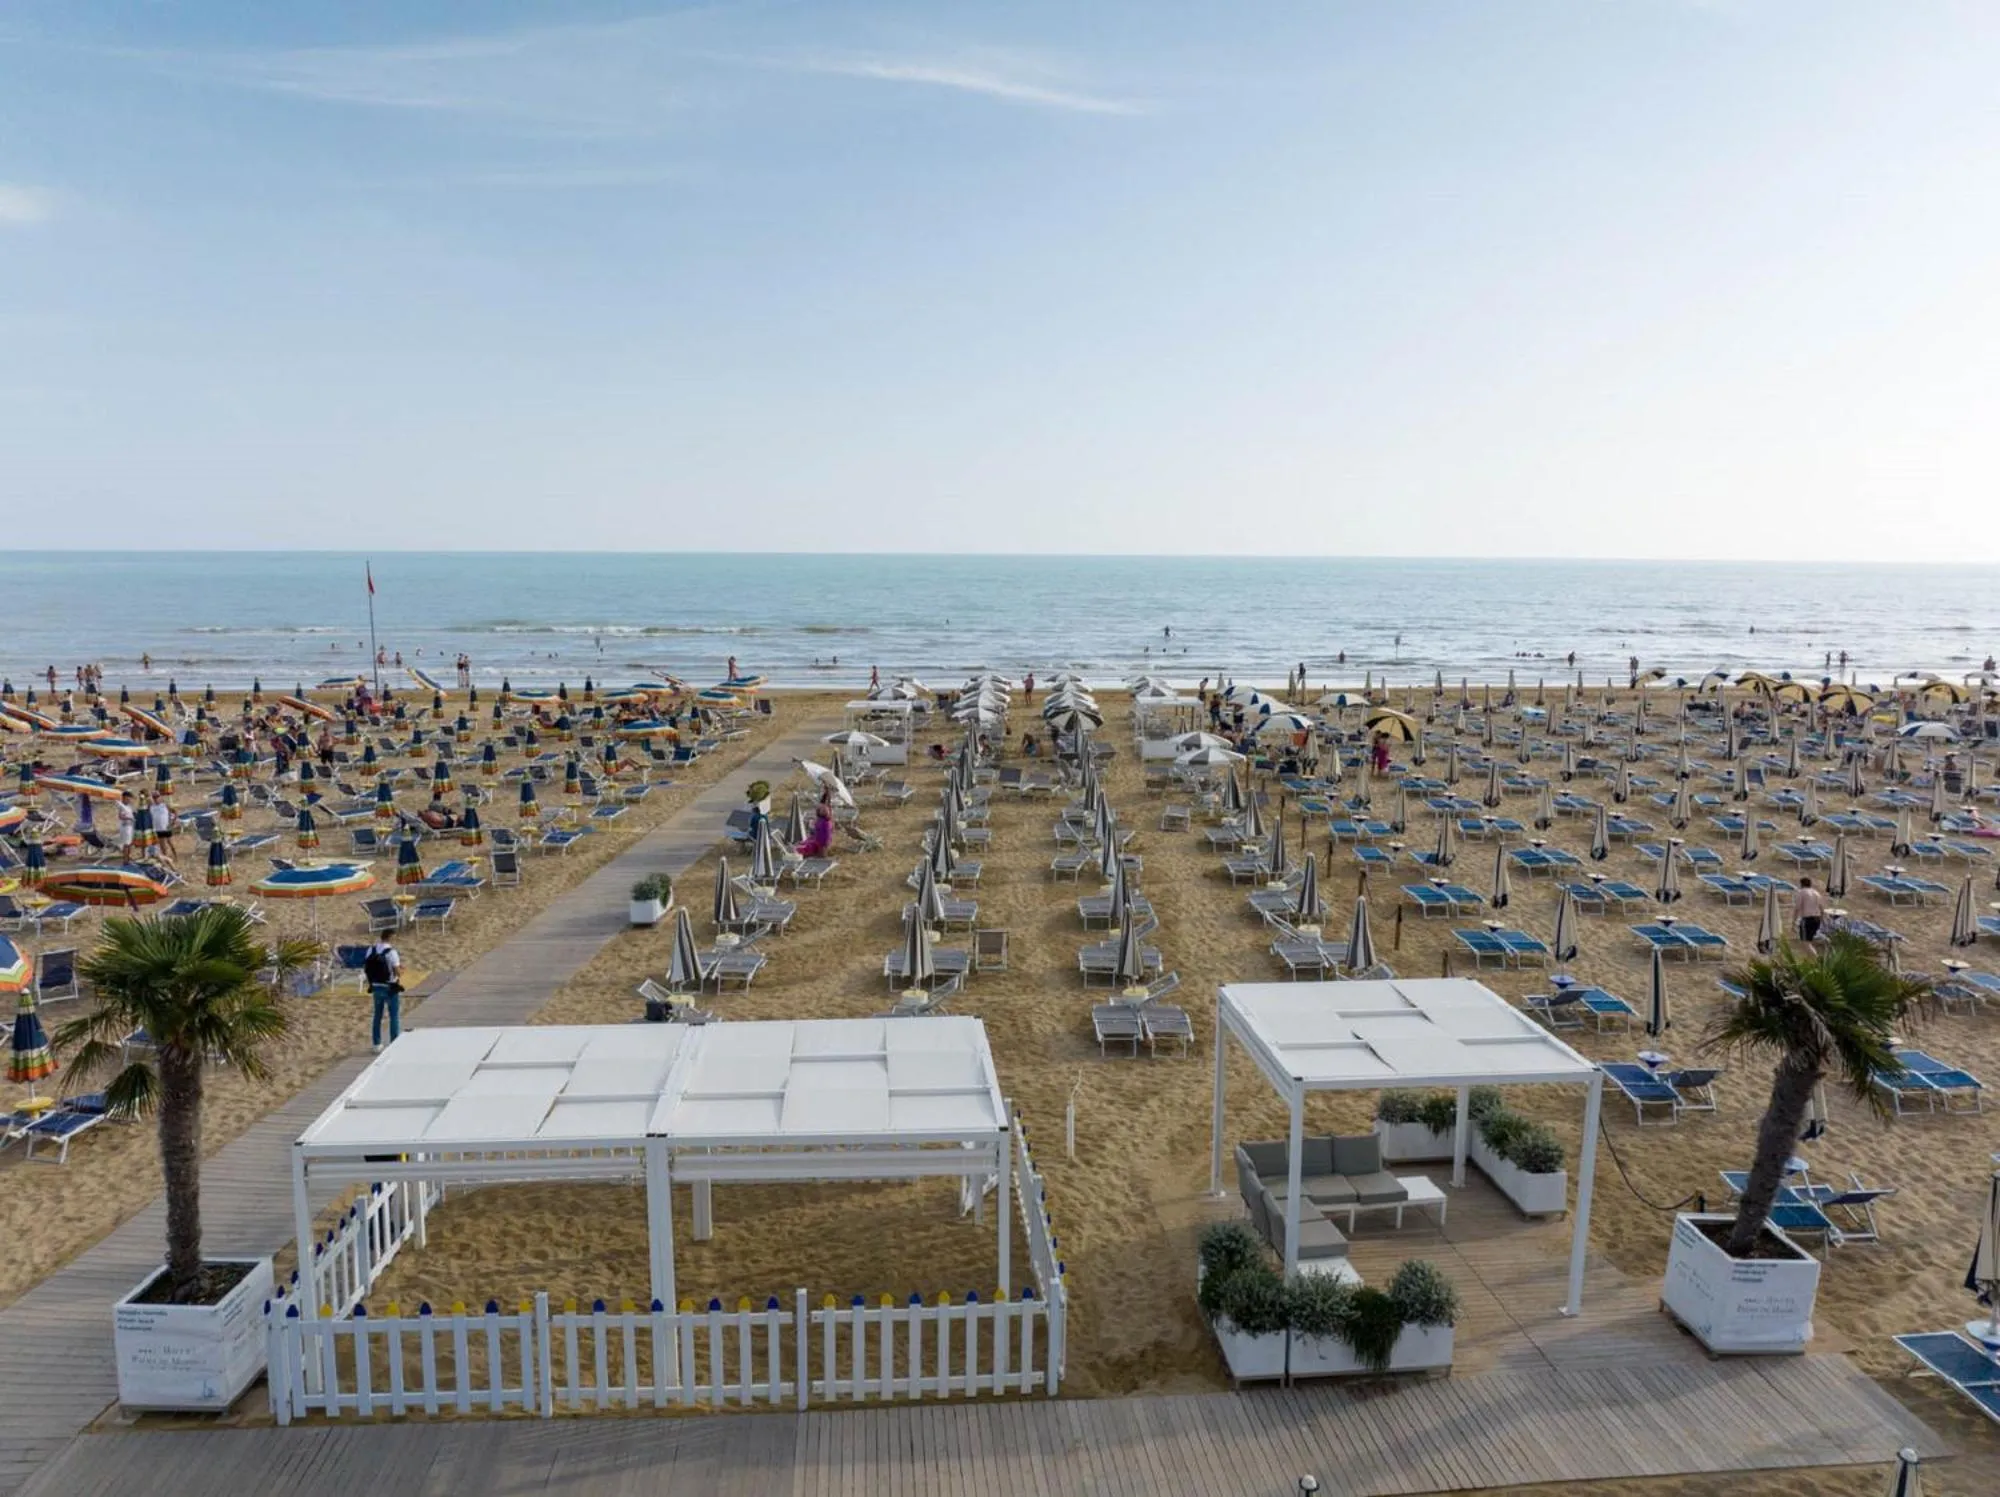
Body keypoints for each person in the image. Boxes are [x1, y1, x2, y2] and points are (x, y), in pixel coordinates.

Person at [148, 791, 178, 867]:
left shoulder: (165, 805)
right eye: (154, 797)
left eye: (157, 797)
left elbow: (175, 812)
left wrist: (173, 822)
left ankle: (175, 856)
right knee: (163, 847)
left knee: (171, 844)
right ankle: (168, 862)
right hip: (158, 830)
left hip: (166, 827)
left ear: (160, 797)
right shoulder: (151, 807)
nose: (156, 799)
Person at [1793, 877, 1826, 943]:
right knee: (1810, 941)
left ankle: (1814, 954)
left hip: (1807, 920)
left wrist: (1793, 922)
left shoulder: (1802, 892)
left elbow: (1797, 908)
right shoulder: (1816, 893)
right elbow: (1822, 908)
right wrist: (1822, 920)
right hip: (1817, 920)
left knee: (1805, 942)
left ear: (1801, 884)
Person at [115, 792, 137, 862]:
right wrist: (130, 818)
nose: (130, 800)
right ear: (124, 798)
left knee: (130, 844)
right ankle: (125, 861)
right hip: (125, 827)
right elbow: (120, 816)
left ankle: (128, 859)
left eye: (130, 799)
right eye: (128, 799)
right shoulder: (121, 805)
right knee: (126, 844)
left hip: (130, 827)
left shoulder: (128, 806)